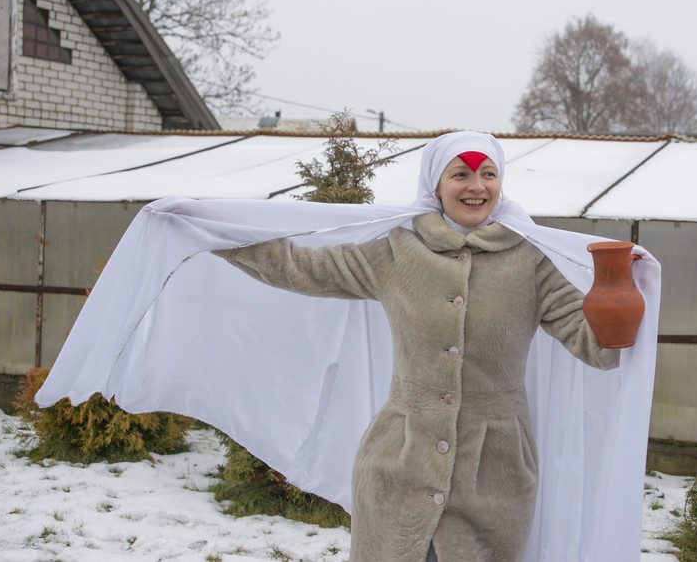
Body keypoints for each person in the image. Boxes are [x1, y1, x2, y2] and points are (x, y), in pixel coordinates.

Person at [36, 131, 661, 561]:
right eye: (461, 173)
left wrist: (621, 289)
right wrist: (209, 229)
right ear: (436, 183)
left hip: (493, 475)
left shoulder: (531, 263)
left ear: (502, 184)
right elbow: (299, 266)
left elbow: (597, 349)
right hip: (397, 463)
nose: (476, 186)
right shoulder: (397, 252)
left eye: (488, 173)